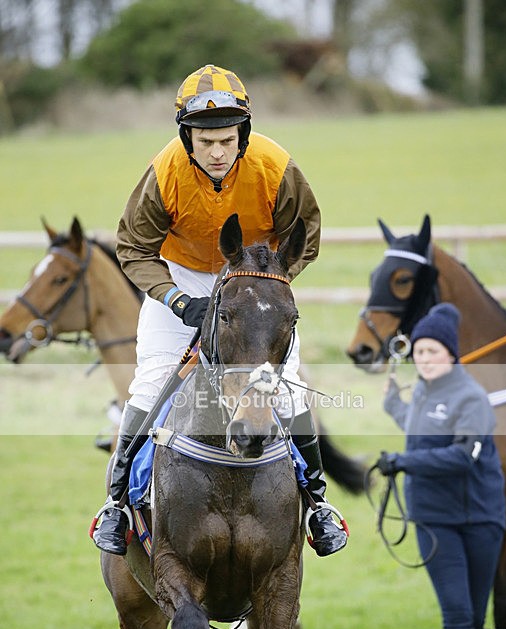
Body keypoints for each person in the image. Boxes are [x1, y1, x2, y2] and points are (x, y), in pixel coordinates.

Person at [92, 64, 347, 559]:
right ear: (186, 138)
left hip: (256, 276)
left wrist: (265, 285)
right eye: (205, 141)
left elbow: (306, 235)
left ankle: (317, 505)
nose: (216, 152)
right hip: (182, 277)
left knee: (287, 387)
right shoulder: (165, 171)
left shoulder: (276, 167)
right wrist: (175, 298)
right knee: (151, 383)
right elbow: (133, 248)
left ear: (242, 135)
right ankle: (117, 504)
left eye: (227, 140)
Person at [376, 302, 505, 629]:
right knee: (456, 613)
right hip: (433, 518)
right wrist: (392, 403)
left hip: (482, 518)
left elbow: (463, 456)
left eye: (433, 351)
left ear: (451, 352)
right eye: (420, 351)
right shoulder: (421, 393)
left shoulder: (472, 397)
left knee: (476, 618)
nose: (425, 359)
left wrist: (403, 462)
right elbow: (418, 425)